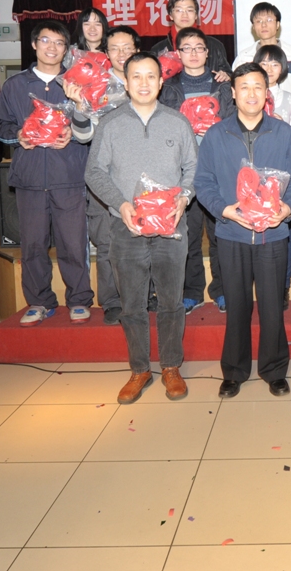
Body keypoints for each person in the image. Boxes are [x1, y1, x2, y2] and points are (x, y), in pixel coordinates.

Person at [84, 52, 198, 404]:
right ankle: (139, 369)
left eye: (151, 76)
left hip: (171, 226)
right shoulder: (111, 124)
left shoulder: (178, 122)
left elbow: (193, 169)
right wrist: (121, 205)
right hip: (126, 227)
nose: (144, 83)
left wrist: (184, 198)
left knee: (171, 300)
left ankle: (171, 366)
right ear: (126, 81)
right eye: (136, 76)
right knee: (132, 302)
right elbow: (94, 172)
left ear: (161, 81)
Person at [194, 63, 291, 398]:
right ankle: (234, 371)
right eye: (244, 87)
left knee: (273, 307)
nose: (251, 93)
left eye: (258, 86)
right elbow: (203, 183)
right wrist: (223, 210)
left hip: (273, 235)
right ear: (233, 92)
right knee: (237, 307)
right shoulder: (216, 134)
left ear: (267, 92)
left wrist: (286, 209)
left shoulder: (282, 132)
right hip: (232, 234)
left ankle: (274, 370)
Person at [0, 20, 95, 327]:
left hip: (70, 176)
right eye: (46, 41)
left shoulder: (78, 82)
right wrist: (19, 136)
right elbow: (0, 125)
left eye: (59, 43)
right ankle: (39, 302)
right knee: (33, 244)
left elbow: (94, 122)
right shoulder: (15, 85)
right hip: (31, 178)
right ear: (34, 44)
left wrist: (73, 135)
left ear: (66, 49)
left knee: (73, 243)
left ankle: (79, 300)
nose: (52, 48)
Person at [159, 26, 236, 313]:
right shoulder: (167, 88)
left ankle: (223, 289)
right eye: (187, 48)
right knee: (188, 235)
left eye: (199, 48)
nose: (193, 53)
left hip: (218, 169)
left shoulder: (224, 85)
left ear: (207, 52)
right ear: (178, 53)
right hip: (182, 170)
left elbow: (233, 123)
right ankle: (191, 291)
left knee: (221, 233)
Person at [83, 24, 140, 324]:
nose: (121, 53)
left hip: (140, 176)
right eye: (115, 48)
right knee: (106, 241)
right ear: (106, 53)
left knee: (143, 237)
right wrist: (79, 106)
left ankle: (144, 295)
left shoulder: (146, 82)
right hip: (104, 175)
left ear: (136, 50)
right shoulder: (93, 87)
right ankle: (112, 301)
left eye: (127, 48)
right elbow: (82, 134)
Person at [150, 0, 231, 81]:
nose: (185, 15)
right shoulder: (158, 50)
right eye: (179, 10)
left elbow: (228, 74)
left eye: (189, 10)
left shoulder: (215, 45)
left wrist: (226, 76)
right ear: (170, 16)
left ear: (196, 15)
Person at [234, 2, 291, 91]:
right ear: (253, 27)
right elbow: (237, 88)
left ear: (277, 24)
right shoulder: (243, 58)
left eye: (269, 20)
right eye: (259, 21)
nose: (264, 25)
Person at [254, 44, 291, 124]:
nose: (269, 70)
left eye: (275, 65)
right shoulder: (248, 96)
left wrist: (282, 126)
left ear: (282, 68)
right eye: (264, 64)